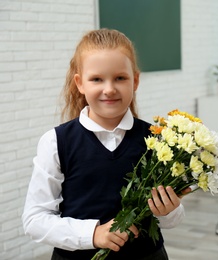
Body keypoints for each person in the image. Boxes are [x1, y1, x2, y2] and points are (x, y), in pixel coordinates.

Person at [22, 29, 187, 260]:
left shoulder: (158, 140)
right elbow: (35, 220)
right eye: (97, 79)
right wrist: (93, 234)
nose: (109, 89)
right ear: (80, 83)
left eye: (120, 78)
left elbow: (172, 219)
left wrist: (169, 210)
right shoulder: (56, 142)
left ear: (135, 80)